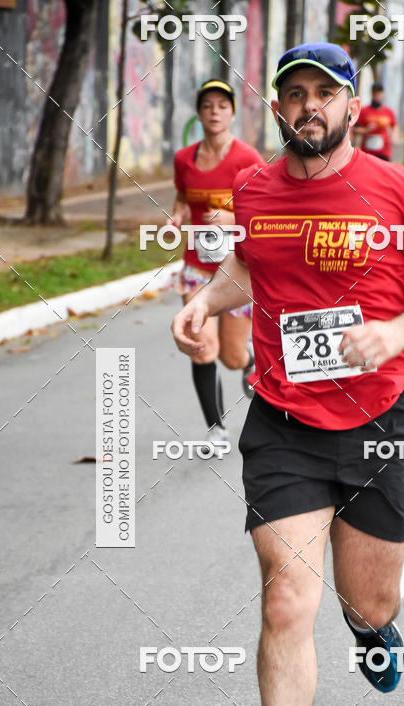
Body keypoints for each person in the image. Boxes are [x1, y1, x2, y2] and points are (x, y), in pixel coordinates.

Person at [172, 42, 404, 706]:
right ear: (277, 107)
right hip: (283, 424)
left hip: (382, 423)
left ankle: (374, 631)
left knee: (364, 600)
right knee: (284, 597)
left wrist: (401, 329)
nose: (309, 106)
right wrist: (206, 300)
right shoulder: (254, 185)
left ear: (350, 104)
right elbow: (251, 263)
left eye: (325, 93)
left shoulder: (400, 186)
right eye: (294, 94)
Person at [171, 79, 264, 451]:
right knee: (201, 345)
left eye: (222, 106)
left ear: (232, 113)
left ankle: (248, 363)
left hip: (236, 270)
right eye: (208, 105)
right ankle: (216, 429)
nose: (214, 112)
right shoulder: (184, 159)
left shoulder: (247, 158)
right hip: (196, 268)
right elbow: (182, 200)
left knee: (229, 354)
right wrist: (175, 218)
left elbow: (264, 211)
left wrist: (231, 220)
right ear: (199, 111)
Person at [354, 81, 398, 160]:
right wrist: (366, 130)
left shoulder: (388, 112)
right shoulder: (364, 111)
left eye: (379, 94)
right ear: (372, 94)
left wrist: (394, 136)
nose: (377, 96)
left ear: (382, 94)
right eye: (375, 94)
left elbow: (395, 126)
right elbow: (355, 130)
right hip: (368, 152)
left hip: (384, 152)